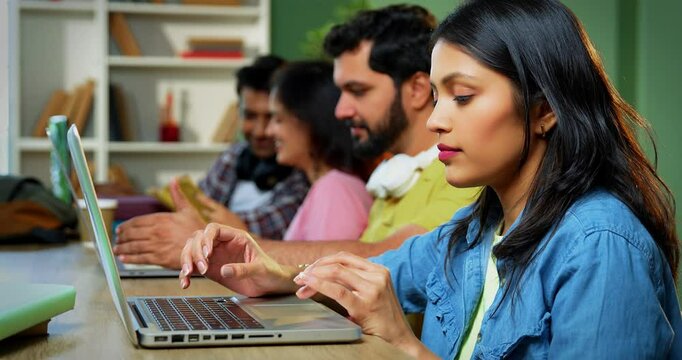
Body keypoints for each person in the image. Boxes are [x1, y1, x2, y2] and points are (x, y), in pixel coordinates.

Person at [179, 0, 682, 358]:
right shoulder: (471, 231)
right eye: (437, 98)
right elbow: (379, 272)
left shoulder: (599, 246)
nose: (437, 120)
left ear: (544, 109)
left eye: (462, 96)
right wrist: (276, 274)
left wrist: (407, 348)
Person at [255, 4, 478, 264]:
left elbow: (391, 259)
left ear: (417, 89)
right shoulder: (390, 178)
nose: (340, 110)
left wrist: (250, 253)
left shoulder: (459, 172)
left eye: (358, 91)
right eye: (341, 92)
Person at [113, 55, 310, 268]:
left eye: (273, 117)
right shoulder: (233, 156)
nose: (262, 131)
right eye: (250, 116)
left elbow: (263, 232)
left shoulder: (303, 174)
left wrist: (213, 225)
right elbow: (195, 206)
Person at [267, 61, 372, 241]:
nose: (269, 131)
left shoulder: (335, 189)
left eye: (278, 119)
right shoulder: (331, 185)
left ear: (310, 121)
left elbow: (329, 266)